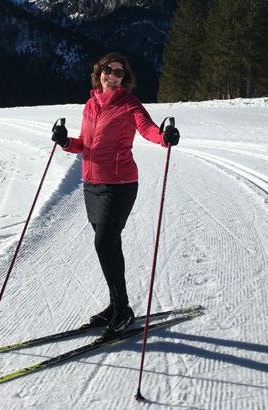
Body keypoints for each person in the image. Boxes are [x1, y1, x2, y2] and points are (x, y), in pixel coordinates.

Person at [51, 52, 180, 337]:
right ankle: (116, 305)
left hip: (120, 184)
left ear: (124, 78)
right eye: (108, 70)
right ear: (99, 73)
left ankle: (122, 310)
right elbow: (84, 143)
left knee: (104, 242)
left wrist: (164, 138)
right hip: (91, 184)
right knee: (109, 246)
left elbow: (147, 129)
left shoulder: (129, 104)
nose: (112, 76)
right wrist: (65, 142)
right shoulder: (90, 104)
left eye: (119, 72)